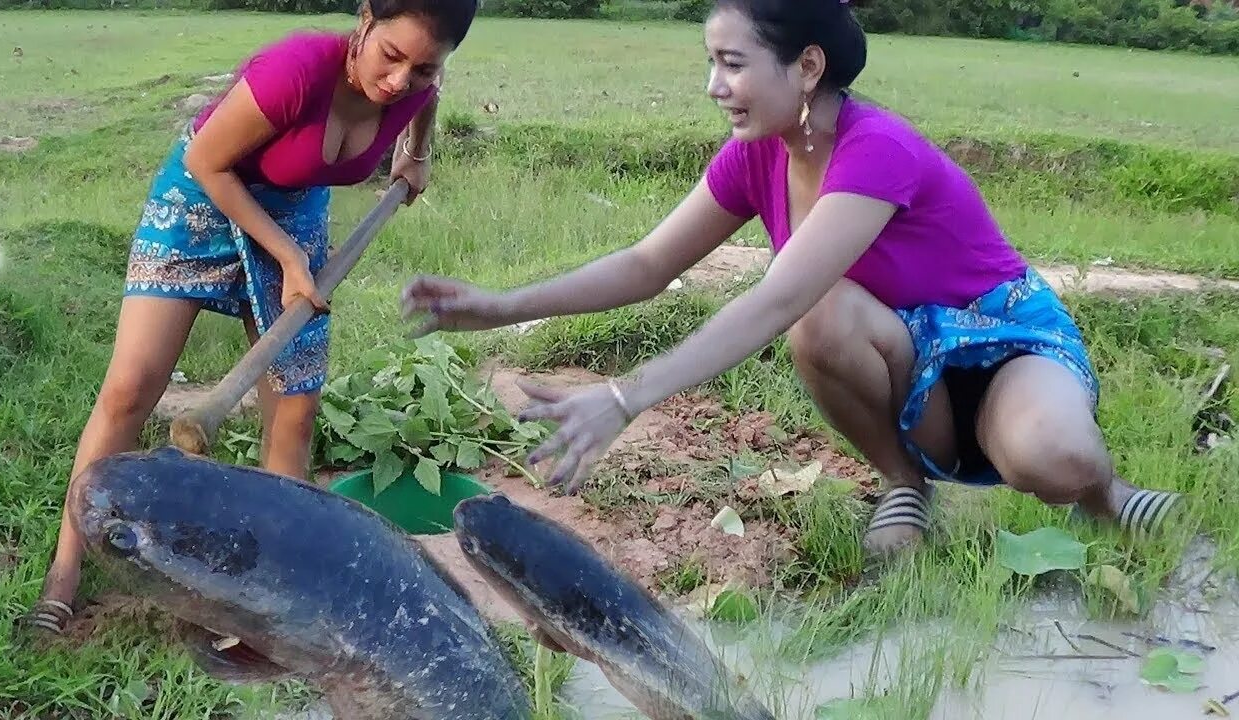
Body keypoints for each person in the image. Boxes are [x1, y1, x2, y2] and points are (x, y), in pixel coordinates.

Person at [400, 0, 1185, 562]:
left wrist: (623, 397)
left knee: (1052, 459)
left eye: (732, 64)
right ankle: (904, 484)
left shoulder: (877, 150)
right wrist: (501, 306)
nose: (714, 85)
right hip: (902, 351)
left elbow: (774, 298)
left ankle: (1101, 495)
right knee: (824, 314)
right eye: (712, 62)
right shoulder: (756, 155)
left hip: (1003, 340)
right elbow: (649, 265)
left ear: (806, 66)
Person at [23, 0, 478, 636]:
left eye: (424, 68)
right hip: (200, 198)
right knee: (129, 389)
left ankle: (274, 592)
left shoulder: (412, 85)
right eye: (392, 56)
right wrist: (287, 257)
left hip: (293, 212)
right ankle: (65, 571)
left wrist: (417, 154)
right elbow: (206, 162)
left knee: (294, 406)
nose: (400, 80)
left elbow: (424, 99)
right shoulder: (293, 70)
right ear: (366, 18)